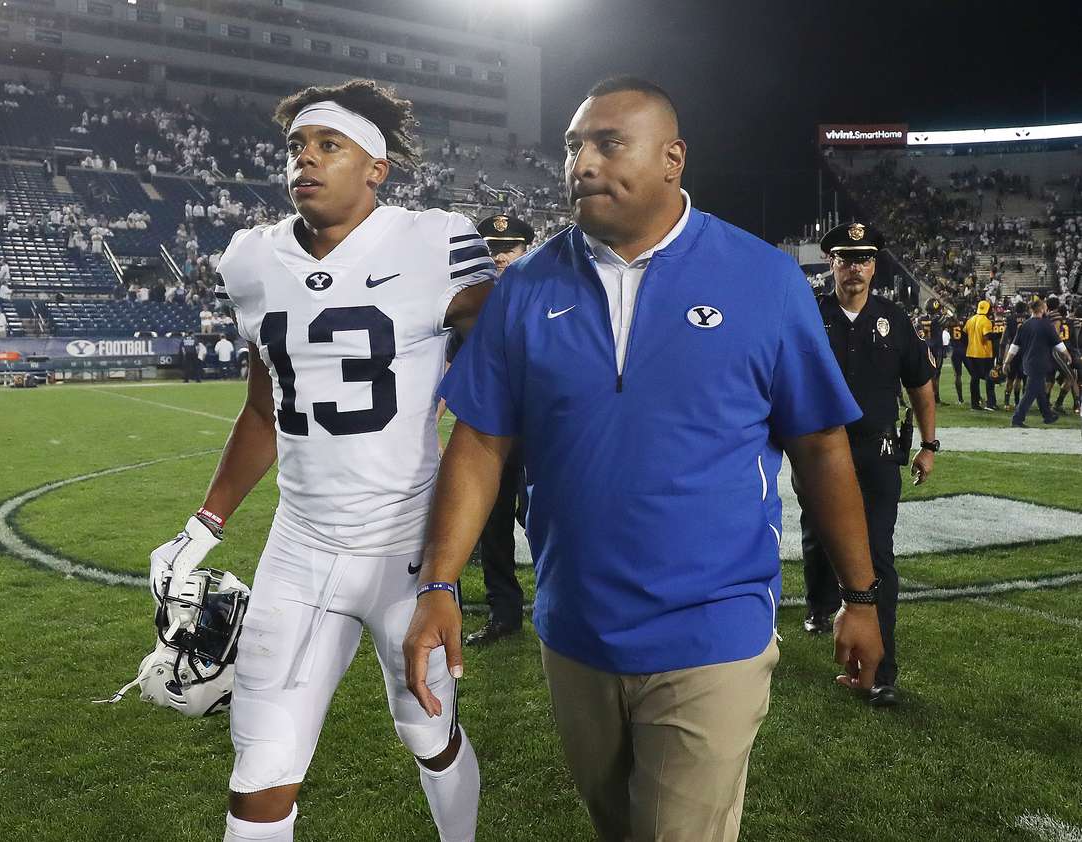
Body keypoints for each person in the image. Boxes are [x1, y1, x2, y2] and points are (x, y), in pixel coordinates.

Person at [403, 76, 883, 842]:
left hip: (712, 631)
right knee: (619, 824)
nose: (582, 163)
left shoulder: (762, 279)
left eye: (606, 143)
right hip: (576, 629)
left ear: (672, 158)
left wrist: (860, 596)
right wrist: (438, 581)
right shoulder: (524, 287)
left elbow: (821, 445)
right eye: (572, 147)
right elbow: (481, 440)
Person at [147, 80, 493, 842]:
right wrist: (203, 525)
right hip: (298, 550)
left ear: (377, 167)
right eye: (296, 148)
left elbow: (515, 353)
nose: (305, 160)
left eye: (327, 146)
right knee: (260, 771)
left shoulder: (433, 241)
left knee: (427, 733)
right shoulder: (251, 259)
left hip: (406, 547)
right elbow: (262, 411)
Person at [796, 221, 937, 708]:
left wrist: (929, 444)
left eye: (864, 259)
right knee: (816, 536)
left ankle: (882, 672)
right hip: (820, 453)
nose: (854, 267)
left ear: (874, 265)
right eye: (845, 258)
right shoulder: (810, 316)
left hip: (876, 454)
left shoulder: (895, 320)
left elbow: (920, 385)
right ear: (830, 261)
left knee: (878, 557)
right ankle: (819, 606)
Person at [465, 213, 535, 647]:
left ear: (527, 248)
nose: (501, 257)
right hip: (488, 433)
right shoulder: (471, 304)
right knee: (491, 528)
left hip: (537, 432)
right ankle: (503, 613)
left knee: (544, 519)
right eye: (491, 249)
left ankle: (565, 605)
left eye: (508, 248)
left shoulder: (551, 294)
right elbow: (451, 362)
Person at [1004, 297, 1069, 427]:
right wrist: (1067, 354)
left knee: (1039, 391)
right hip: (1040, 363)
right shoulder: (1046, 324)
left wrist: (1006, 362)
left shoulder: (1024, 325)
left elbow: (1014, 346)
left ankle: (1048, 416)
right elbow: (1058, 343)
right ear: (1041, 309)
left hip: (1027, 362)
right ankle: (1017, 419)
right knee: (1030, 393)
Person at [963, 299, 998, 410]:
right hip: (984, 353)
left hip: (971, 352)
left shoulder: (970, 320)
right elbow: (986, 336)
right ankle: (990, 403)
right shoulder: (986, 321)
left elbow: (964, 334)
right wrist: (998, 335)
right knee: (989, 378)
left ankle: (975, 403)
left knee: (974, 379)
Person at [1000, 300, 1029, 410]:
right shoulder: (1029, 318)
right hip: (1025, 351)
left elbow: (1004, 339)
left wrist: (1001, 358)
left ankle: (1006, 403)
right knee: (1020, 379)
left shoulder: (1010, 318)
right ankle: (1018, 403)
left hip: (1013, 350)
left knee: (1010, 378)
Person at [947, 313, 967, 404]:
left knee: (957, 375)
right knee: (974, 374)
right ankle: (977, 397)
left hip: (955, 349)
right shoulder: (965, 319)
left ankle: (960, 399)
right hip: (965, 349)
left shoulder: (950, 320)